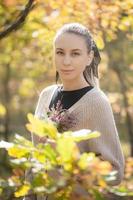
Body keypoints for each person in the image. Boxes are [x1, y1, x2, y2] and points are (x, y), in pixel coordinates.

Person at [24, 23, 125, 200]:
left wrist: (71, 168)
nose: (66, 61)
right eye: (60, 52)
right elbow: (35, 158)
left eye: (75, 53)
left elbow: (114, 172)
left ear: (89, 57)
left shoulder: (97, 103)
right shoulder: (46, 95)